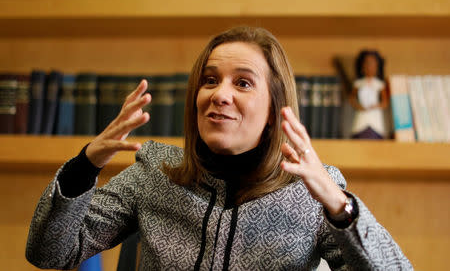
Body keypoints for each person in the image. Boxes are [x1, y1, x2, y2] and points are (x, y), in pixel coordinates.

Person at [26, 27, 412, 270]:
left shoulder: (315, 191)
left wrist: (339, 207)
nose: (220, 95)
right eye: (210, 80)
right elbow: (49, 253)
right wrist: (85, 165)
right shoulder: (154, 171)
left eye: (243, 83)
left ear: (274, 110)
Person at [349, 50, 389, 139]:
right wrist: (358, 106)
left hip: (375, 116)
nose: (369, 67)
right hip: (362, 114)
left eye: (372, 65)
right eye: (367, 64)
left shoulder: (379, 84)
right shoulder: (359, 83)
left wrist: (376, 106)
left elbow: (385, 102)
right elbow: (352, 98)